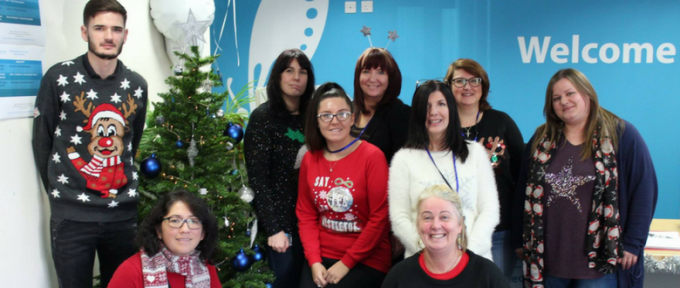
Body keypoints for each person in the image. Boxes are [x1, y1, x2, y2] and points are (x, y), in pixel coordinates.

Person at [31, 1, 147, 287]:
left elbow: (132, 140)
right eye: (100, 28)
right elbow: (42, 141)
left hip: (122, 214)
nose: (108, 36)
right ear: (85, 32)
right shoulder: (59, 78)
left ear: (125, 35)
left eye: (116, 29)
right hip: (72, 215)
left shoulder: (137, 85)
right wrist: (61, 192)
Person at [511, 68, 657, 288]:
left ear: (587, 94)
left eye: (570, 94)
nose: (564, 102)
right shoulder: (541, 139)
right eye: (556, 98)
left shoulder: (622, 134)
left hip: (601, 264)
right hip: (547, 262)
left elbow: (644, 190)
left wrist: (632, 243)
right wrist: (519, 239)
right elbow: (522, 191)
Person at [389, 80, 499, 260]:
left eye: (441, 104)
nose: (433, 112)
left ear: (451, 110)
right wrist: (432, 254)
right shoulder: (404, 159)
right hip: (424, 263)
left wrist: (467, 252)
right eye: (426, 106)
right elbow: (400, 217)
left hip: (473, 261)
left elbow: (489, 209)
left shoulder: (475, 153)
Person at [297, 82, 392, 287]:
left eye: (342, 114)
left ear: (352, 118)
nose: (334, 121)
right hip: (321, 257)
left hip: (366, 259)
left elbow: (380, 218)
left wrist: (346, 263)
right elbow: (306, 214)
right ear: (317, 121)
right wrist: (314, 261)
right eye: (326, 115)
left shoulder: (372, 156)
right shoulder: (310, 159)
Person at [443, 59, 524, 280]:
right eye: (459, 81)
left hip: (496, 232)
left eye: (474, 80)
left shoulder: (501, 122)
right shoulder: (439, 125)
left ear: (483, 86)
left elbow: (523, 173)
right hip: (447, 231)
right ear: (448, 86)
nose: (467, 87)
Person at [244, 48, 315, 288]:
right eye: (289, 70)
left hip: (315, 224)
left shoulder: (315, 117)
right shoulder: (262, 118)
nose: (296, 77)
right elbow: (258, 180)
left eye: (302, 72)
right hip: (282, 228)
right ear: (278, 76)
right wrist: (274, 228)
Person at [382, 185, 510, 288]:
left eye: (444, 217)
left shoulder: (487, 275)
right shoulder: (399, 277)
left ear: (460, 224)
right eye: (427, 217)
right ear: (417, 225)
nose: (436, 225)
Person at [109, 190, 221, 287]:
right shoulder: (131, 270)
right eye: (175, 220)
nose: (185, 229)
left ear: (203, 233)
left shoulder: (205, 266)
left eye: (194, 221)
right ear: (158, 230)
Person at [351, 47, 410, 164]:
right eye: (366, 71)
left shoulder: (402, 115)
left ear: (391, 77)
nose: (372, 79)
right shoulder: (348, 108)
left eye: (381, 72)